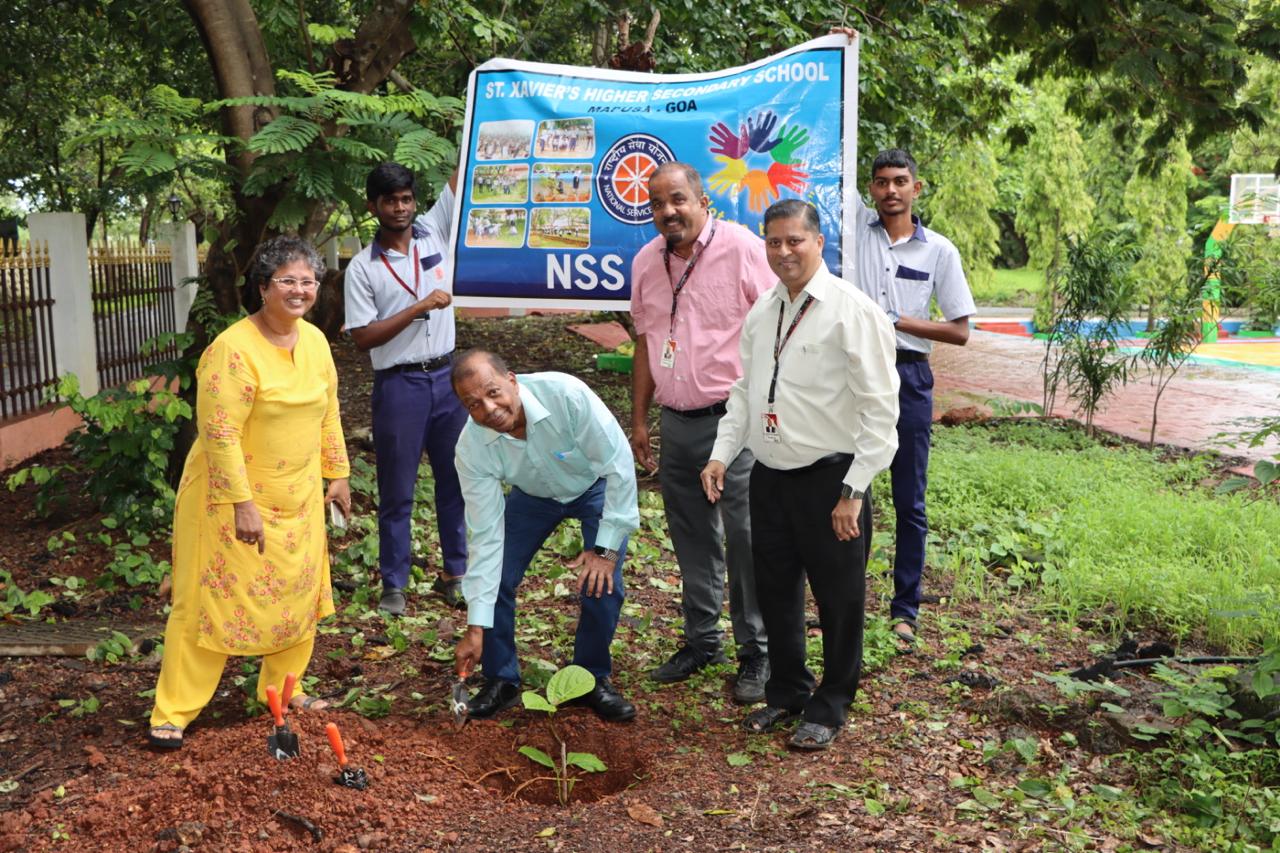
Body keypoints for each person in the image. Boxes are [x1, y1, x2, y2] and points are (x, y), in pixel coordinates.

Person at [701, 200, 899, 750]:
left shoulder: (851, 312)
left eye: (794, 241)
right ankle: (787, 693)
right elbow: (743, 394)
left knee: (839, 598)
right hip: (769, 476)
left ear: (819, 242)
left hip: (831, 482)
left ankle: (831, 704)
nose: (783, 252)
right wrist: (721, 453)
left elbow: (882, 413)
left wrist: (853, 490)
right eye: (773, 242)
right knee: (776, 593)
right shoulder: (763, 311)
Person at [148, 236, 351, 749]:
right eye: (287, 280)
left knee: (297, 593)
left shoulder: (317, 342)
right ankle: (173, 710)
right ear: (263, 288)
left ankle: (284, 691)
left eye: (308, 281)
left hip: (299, 494)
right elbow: (218, 433)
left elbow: (329, 411)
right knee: (207, 602)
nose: (300, 290)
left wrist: (338, 474)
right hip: (229, 497)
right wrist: (242, 503)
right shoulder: (232, 349)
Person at [630, 162, 772, 703]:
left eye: (678, 199)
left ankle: (756, 650)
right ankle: (702, 640)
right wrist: (641, 419)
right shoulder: (647, 262)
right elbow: (645, 343)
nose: (669, 211)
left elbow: (776, 325)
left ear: (702, 200)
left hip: (735, 424)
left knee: (745, 536)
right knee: (691, 534)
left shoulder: (741, 248)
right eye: (658, 203)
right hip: (678, 422)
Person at [451, 350, 639, 722]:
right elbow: (486, 538)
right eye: (473, 404)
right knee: (499, 575)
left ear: (513, 380)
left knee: (602, 581)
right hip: (533, 496)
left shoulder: (567, 395)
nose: (488, 408)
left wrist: (604, 551)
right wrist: (475, 627)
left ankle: (588, 678)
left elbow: (618, 467)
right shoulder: (471, 449)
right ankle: (501, 679)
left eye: (493, 392)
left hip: (595, 486)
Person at [852, 149, 975, 651]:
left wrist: (895, 319)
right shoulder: (856, 231)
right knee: (850, 489)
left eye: (900, 181)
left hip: (909, 375)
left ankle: (905, 610)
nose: (891, 191)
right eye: (881, 183)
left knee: (910, 500)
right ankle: (846, 602)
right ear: (871, 190)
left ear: (916, 188)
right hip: (855, 374)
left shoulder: (939, 251)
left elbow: (959, 331)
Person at [344, 162, 467, 615]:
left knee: (454, 480)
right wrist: (418, 308)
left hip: (448, 379)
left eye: (406, 199)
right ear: (373, 206)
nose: (400, 208)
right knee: (397, 489)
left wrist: (488, 109)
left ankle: (456, 573)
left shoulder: (434, 231)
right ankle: (394, 583)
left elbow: (463, 174)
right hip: (399, 385)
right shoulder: (363, 267)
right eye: (390, 200)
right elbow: (361, 337)